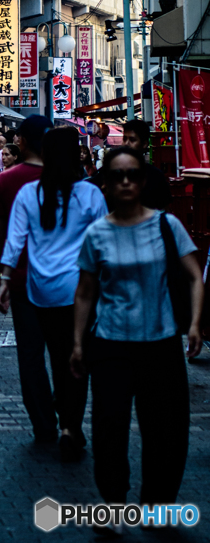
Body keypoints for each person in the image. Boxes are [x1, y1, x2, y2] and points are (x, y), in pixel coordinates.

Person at [71, 146, 203, 515]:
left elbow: (195, 276)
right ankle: (113, 503)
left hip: (160, 342)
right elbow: (85, 292)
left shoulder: (166, 225)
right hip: (111, 343)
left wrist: (194, 324)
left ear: (142, 181)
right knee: (109, 428)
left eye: (132, 175)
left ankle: (157, 503)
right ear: (106, 185)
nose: (125, 181)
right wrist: (78, 344)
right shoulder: (97, 234)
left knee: (166, 431)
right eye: (117, 176)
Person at [0, 126, 107, 460]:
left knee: (51, 356)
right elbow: (103, 243)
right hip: (78, 292)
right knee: (74, 358)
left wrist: (4, 280)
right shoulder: (89, 195)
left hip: (40, 289)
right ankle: (70, 425)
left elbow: (15, 240)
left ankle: (56, 419)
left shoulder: (30, 194)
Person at [0, 115, 57, 443]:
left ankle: (43, 422)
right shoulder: (68, 180)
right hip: (66, 283)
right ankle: (69, 421)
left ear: (22, 142)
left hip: (23, 279)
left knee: (30, 354)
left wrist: (4, 274)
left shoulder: (8, 180)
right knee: (64, 351)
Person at [121, 118, 172, 211]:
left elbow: (165, 211)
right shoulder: (111, 172)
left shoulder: (155, 176)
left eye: (132, 140)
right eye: (124, 139)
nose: (126, 144)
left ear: (144, 144)